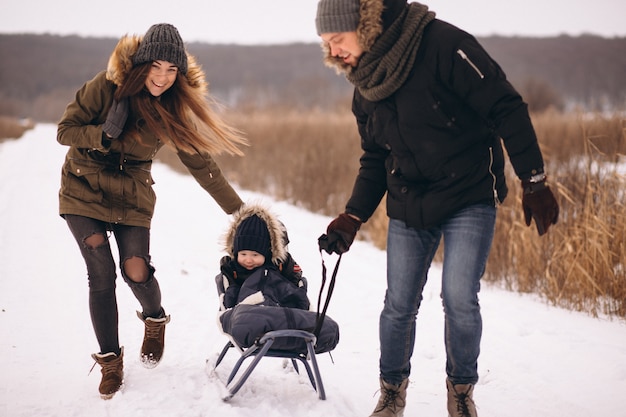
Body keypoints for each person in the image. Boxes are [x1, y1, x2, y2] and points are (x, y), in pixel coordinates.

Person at [314, 1, 559, 416]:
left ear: (365, 25)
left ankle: (461, 390)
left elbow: (506, 106)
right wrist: (353, 216)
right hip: (410, 200)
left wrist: (532, 178)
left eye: (337, 39)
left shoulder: (444, 45)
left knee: (459, 296)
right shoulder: (367, 84)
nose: (334, 52)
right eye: (326, 44)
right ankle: (392, 392)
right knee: (399, 304)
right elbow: (376, 156)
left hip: (468, 193)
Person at [57, 23, 247, 400]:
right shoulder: (105, 87)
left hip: (131, 193)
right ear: (141, 65)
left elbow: (202, 166)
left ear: (179, 73)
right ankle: (111, 361)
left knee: (135, 269)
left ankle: (155, 318)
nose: (162, 77)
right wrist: (102, 135)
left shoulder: (173, 108)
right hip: (84, 185)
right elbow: (65, 130)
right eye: (155, 67)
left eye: (171, 70)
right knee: (100, 270)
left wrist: (242, 213)